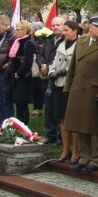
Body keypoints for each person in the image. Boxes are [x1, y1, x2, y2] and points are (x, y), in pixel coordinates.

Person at [64, 13, 98, 173]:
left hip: (94, 90)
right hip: (78, 88)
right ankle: (84, 156)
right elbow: (73, 66)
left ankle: (96, 159)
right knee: (80, 125)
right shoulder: (81, 42)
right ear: (90, 27)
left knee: (94, 127)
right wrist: (68, 86)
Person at [48, 20, 80, 164]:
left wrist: (62, 72)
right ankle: (65, 150)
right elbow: (54, 61)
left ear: (75, 31)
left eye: (66, 30)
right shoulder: (61, 44)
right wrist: (52, 72)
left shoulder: (79, 45)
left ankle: (76, 151)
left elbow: (76, 65)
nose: (64, 32)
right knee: (62, 118)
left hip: (70, 84)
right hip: (58, 85)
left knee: (72, 119)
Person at [37, 17, 64, 145]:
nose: (55, 27)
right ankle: (50, 134)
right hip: (46, 76)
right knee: (48, 108)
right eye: (53, 25)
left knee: (57, 108)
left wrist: (49, 66)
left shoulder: (65, 41)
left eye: (58, 25)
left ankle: (59, 136)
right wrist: (42, 64)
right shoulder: (48, 40)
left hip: (58, 76)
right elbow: (40, 54)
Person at [8, 21, 37, 125]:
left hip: (24, 77)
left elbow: (28, 61)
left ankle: (24, 125)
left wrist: (19, 73)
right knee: (18, 103)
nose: (16, 32)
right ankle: (19, 125)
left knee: (22, 103)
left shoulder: (28, 43)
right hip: (16, 76)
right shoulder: (17, 42)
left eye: (18, 30)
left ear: (25, 31)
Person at [0, 15, 16, 126]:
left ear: (6, 25)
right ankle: (1, 123)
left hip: (5, 71)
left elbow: (13, 54)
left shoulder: (12, 36)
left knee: (6, 99)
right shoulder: (2, 37)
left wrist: (9, 64)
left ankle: (8, 124)